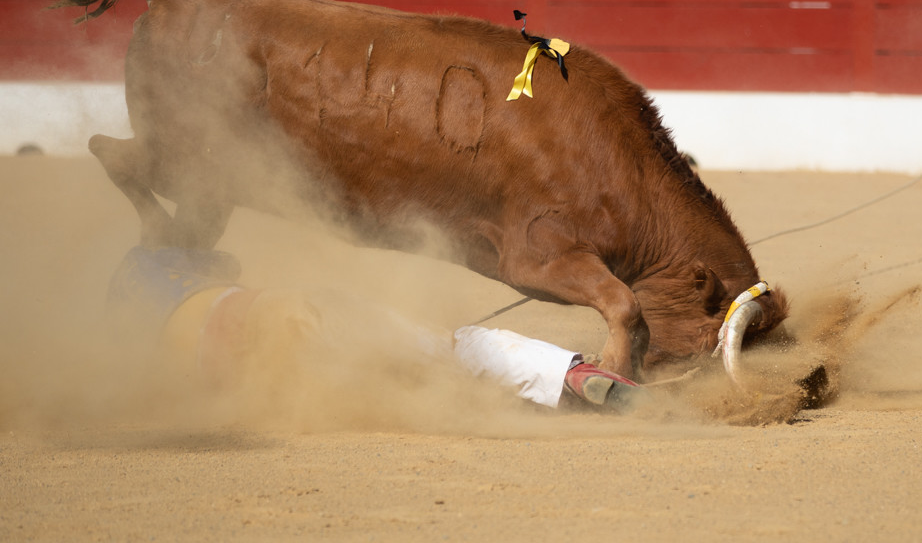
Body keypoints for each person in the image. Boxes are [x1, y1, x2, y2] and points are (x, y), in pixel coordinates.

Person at [105, 246, 646, 414]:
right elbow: (222, 261)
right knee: (451, 348)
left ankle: (536, 392)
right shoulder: (159, 260)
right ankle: (570, 378)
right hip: (300, 310)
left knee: (394, 380)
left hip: (268, 373)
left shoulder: (149, 363)